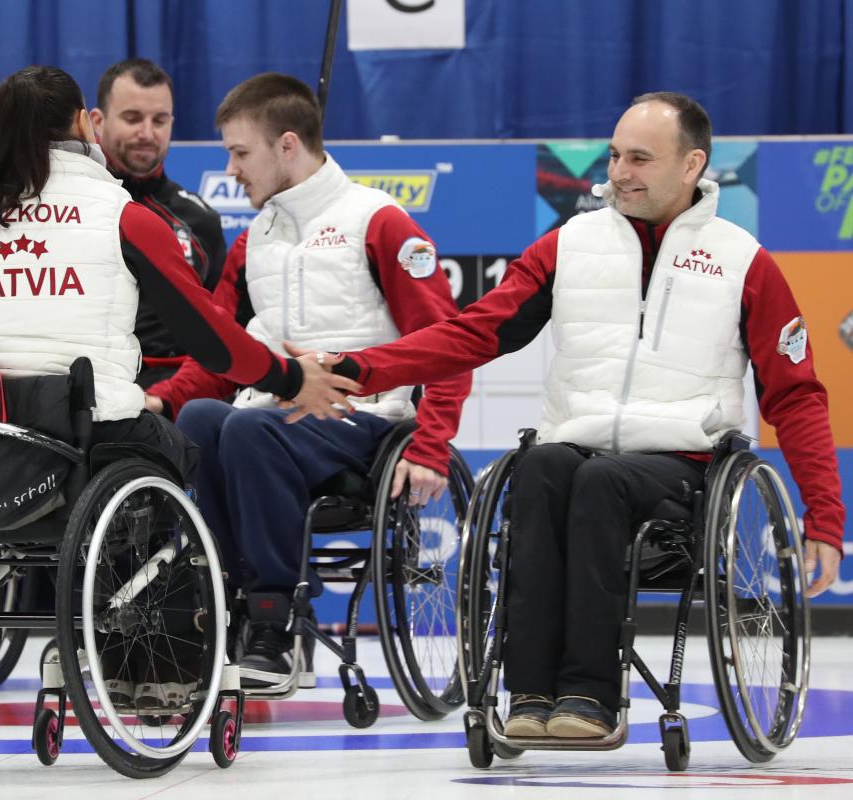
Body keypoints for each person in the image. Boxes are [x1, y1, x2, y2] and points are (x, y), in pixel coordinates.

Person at [311, 92, 846, 737]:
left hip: (683, 465)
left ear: (692, 164)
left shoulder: (743, 261)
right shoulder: (569, 245)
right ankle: (531, 695)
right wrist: (362, 368)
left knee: (600, 482)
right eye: (615, 155)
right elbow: (474, 334)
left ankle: (591, 699)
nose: (620, 172)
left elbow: (796, 396)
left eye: (641, 158)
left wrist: (824, 517)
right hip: (578, 448)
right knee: (539, 469)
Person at [0, 65, 357, 707]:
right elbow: (213, 339)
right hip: (87, 439)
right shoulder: (121, 216)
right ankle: (172, 646)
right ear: (84, 123)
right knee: (190, 448)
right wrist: (289, 376)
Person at [144, 73, 471, 685]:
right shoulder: (254, 241)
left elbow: (449, 344)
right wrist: (162, 399)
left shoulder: (381, 222)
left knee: (247, 430)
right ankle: (235, 598)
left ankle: (276, 616)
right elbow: (219, 349)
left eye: (240, 152)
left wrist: (430, 444)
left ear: (286, 145)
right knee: (202, 420)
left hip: (367, 423)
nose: (233, 169)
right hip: (280, 420)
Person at [90, 58, 230, 388]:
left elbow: (223, 328)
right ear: (97, 121)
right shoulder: (71, 207)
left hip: (179, 392)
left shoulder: (200, 220)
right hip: (91, 386)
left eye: (160, 120)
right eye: (132, 118)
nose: (147, 133)